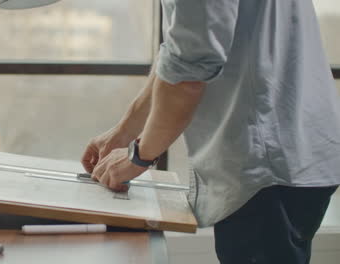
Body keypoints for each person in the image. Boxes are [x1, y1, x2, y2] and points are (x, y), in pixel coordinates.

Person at [80, 1, 340, 263]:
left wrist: (137, 157)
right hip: (290, 145)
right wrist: (124, 132)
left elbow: (187, 75)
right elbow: (178, 54)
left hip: (266, 165)